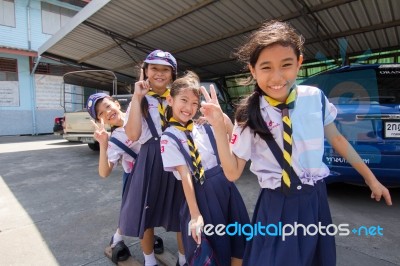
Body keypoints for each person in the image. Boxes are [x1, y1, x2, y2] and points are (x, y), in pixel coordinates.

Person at [199, 20, 392, 266]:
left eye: (286, 65)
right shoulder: (249, 113)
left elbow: (338, 139)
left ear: (299, 62)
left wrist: (370, 178)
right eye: (266, 67)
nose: (277, 77)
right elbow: (233, 172)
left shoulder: (315, 98)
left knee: (314, 259)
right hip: (276, 204)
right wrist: (218, 125)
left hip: (315, 199)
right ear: (252, 70)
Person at [160, 71, 250, 265]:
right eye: (183, 100)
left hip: (226, 188)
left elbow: (236, 141)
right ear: (170, 100)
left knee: (239, 242)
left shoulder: (203, 126)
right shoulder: (169, 137)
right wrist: (195, 214)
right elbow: (185, 176)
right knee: (217, 247)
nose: (189, 107)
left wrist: (222, 119)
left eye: (194, 103)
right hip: (202, 193)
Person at [120, 50, 186, 266]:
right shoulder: (138, 100)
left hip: (176, 158)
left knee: (181, 213)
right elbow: (132, 135)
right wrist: (137, 96)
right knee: (146, 214)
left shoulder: (178, 97)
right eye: (154, 68)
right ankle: (149, 261)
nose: (159, 73)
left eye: (165, 69)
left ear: (172, 73)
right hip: (149, 159)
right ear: (145, 71)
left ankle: (183, 260)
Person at [87, 92, 141, 264]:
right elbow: (104, 172)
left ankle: (148, 238)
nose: (107, 112)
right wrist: (103, 143)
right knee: (132, 212)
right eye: (101, 114)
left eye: (108, 106)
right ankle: (117, 238)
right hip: (134, 180)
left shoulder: (139, 114)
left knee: (150, 209)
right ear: (99, 121)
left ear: (117, 104)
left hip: (154, 171)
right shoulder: (115, 140)